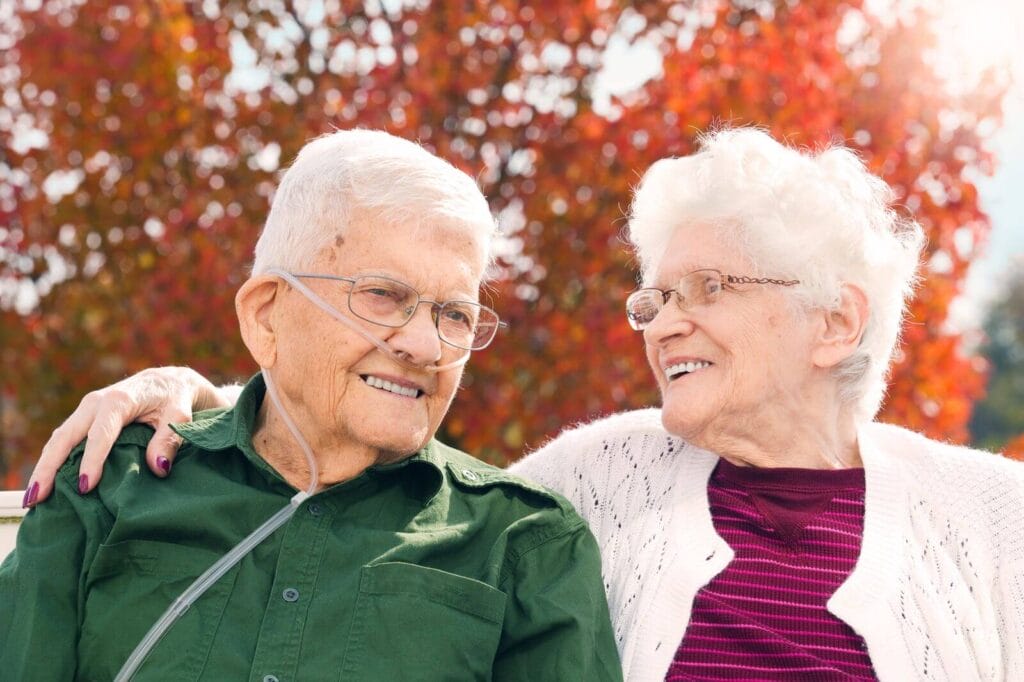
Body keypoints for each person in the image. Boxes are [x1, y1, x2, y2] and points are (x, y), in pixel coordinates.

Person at [20, 128, 1024, 680]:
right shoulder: (592, 482)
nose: (662, 324)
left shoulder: (994, 520)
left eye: (709, 288)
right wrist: (187, 395)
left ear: (835, 321)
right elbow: (314, 425)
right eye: (654, 298)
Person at [0, 129, 620, 681]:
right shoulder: (111, 482)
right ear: (267, 314)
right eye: (383, 295)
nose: (426, 346)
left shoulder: (525, 543)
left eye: (455, 314)